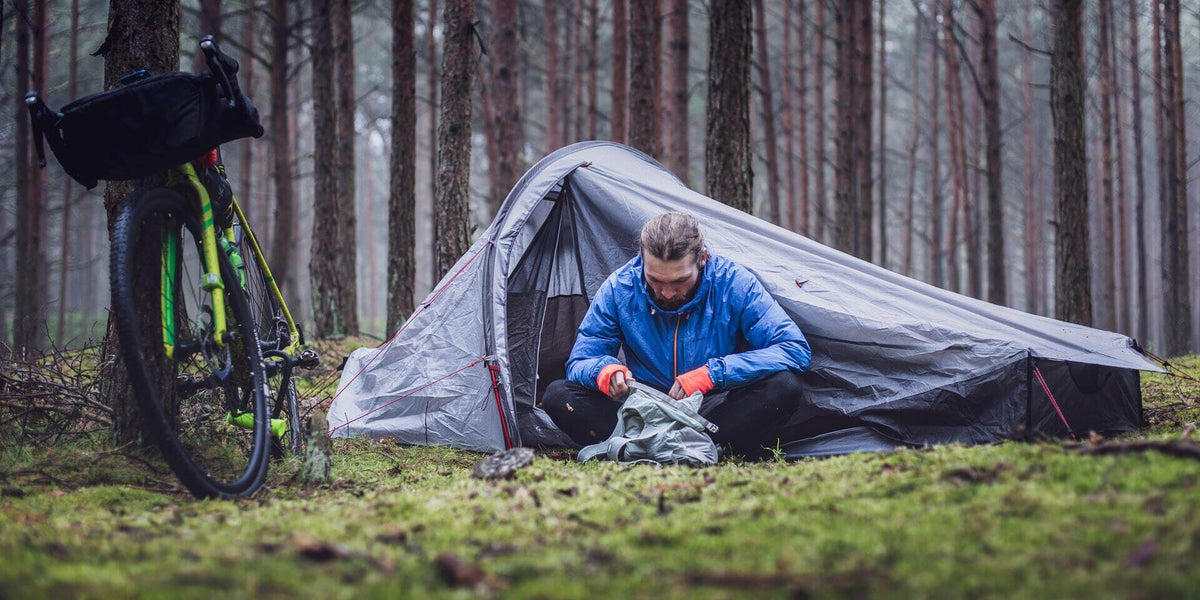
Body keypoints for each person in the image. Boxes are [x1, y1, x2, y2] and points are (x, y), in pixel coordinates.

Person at [541, 212, 812, 458]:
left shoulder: (734, 283)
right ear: (642, 261)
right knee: (557, 395)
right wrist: (605, 372)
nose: (667, 293)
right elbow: (580, 361)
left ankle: (684, 448)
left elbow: (794, 349)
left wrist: (712, 374)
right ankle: (667, 448)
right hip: (640, 411)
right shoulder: (619, 288)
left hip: (711, 411)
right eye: (655, 280)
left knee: (784, 387)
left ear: (702, 258)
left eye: (680, 281)